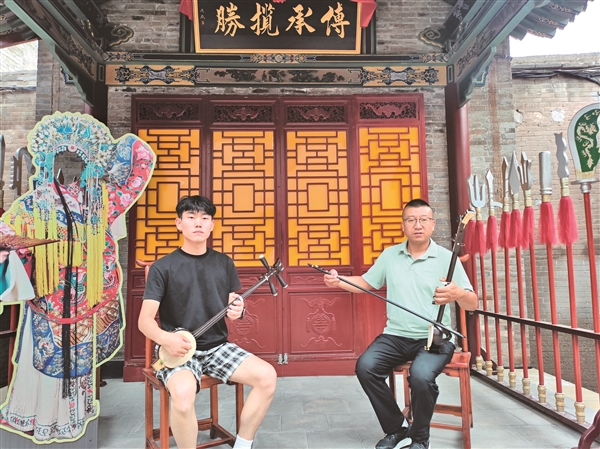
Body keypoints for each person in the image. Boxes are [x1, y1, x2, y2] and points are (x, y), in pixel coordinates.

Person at [323, 199, 477, 449]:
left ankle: (420, 439)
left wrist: (458, 293)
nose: (418, 225)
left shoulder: (447, 259)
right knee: (366, 367)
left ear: (432, 224)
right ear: (403, 225)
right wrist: (338, 281)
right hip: (395, 335)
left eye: (423, 219)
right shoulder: (390, 255)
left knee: (421, 376)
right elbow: (367, 282)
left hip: (433, 338)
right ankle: (397, 428)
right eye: (411, 220)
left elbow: (472, 303)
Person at [138, 195, 277, 449]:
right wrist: (166, 339)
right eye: (191, 217)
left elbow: (233, 305)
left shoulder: (224, 263)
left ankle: (243, 445)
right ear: (179, 223)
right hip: (178, 349)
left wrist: (238, 310)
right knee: (182, 398)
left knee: (267, 376)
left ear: (212, 225)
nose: (198, 223)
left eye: (205, 218)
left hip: (217, 347)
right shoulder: (162, 267)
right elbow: (145, 321)